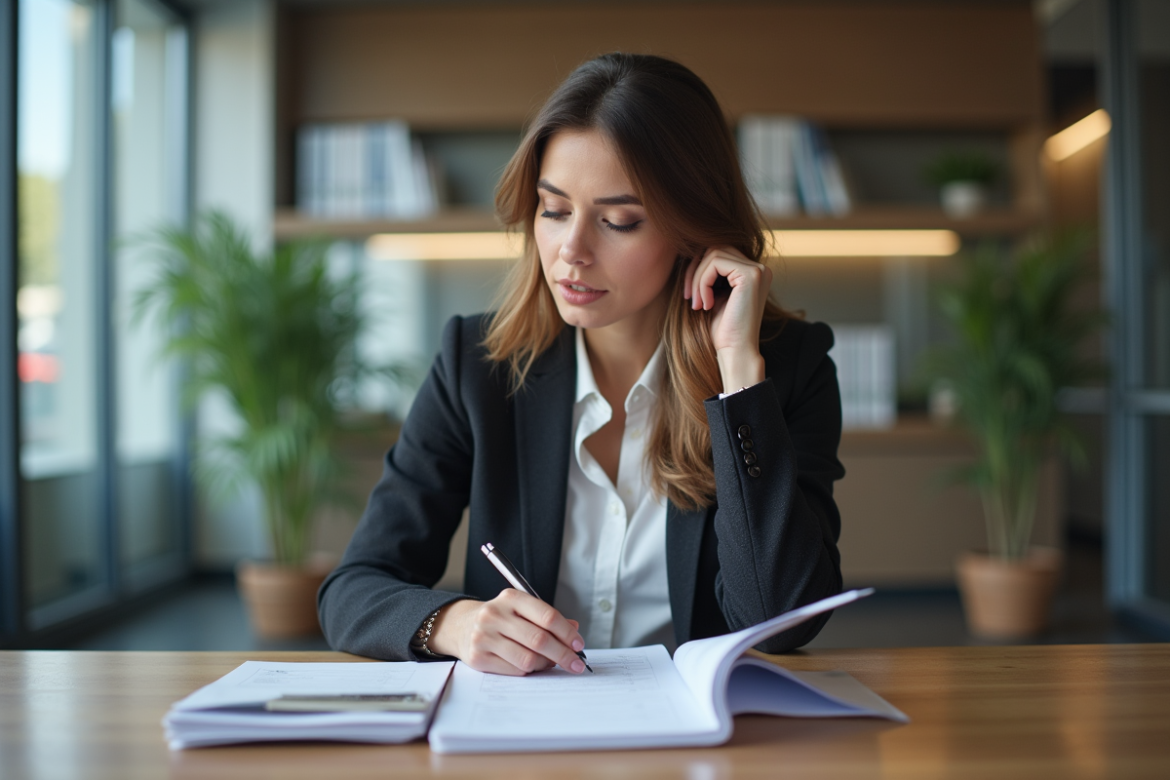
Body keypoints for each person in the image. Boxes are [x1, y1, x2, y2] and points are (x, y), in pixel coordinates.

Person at [318, 53, 845, 676]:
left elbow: (781, 620)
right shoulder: (478, 364)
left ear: (694, 231)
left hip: (700, 730)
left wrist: (735, 376)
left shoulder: (785, 370)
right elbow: (352, 590)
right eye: (554, 209)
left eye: (619, 221)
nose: (572, 250)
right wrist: (455, 623)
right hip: (525, 725)